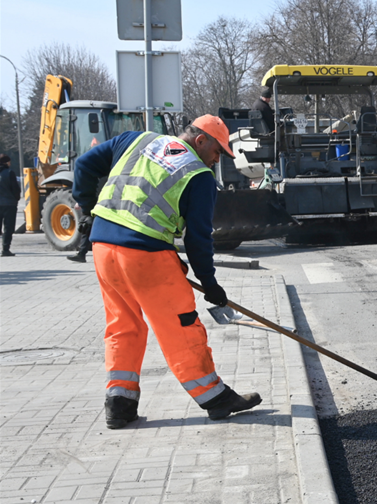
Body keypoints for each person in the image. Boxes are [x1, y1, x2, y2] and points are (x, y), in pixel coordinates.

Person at [73, 116, 263, 428]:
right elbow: (198, 239)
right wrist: (209, 282)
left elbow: (84, 165)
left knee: (123, 325)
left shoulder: (136, 140)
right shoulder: (199, 176)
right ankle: (215, 398)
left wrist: (86, 208)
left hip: (104, 248)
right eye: (217, 152)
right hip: (146, 256)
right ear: (201, 141)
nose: (218, 159)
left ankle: (119, 405)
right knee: (181, 325)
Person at [0, 153, 19, 257]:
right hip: (9, 204)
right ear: (7, 162)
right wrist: (17, 199)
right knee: (8, 227)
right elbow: (15, 189)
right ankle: (5, 249)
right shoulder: (9, 172)